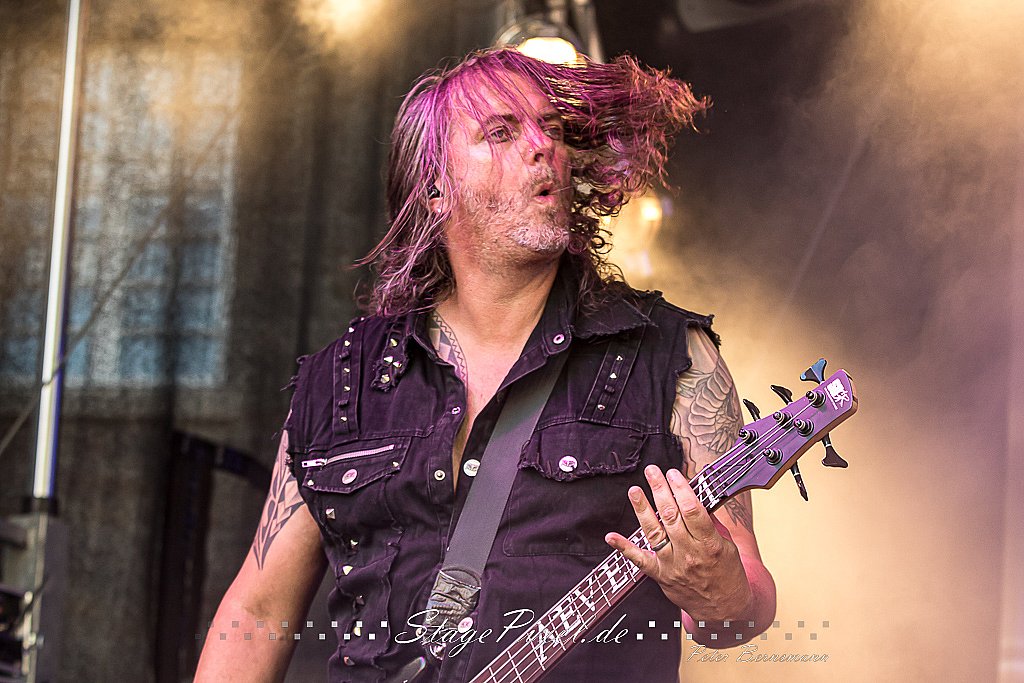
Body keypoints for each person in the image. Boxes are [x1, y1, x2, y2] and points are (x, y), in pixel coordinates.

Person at [196, 47, 776, 682]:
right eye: (501, 132)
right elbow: (256, 610)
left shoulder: (671, 356)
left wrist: (720, 593)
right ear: (435, 187)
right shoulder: (342, 381)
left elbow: (743, 607)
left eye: (550, 128)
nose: (542, 146)